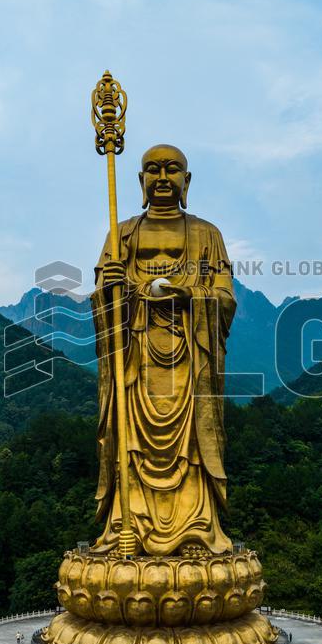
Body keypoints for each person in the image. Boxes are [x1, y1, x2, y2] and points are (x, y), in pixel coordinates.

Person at [91, 144, 236, 557]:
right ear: (139, 181)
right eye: (152, 170)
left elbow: (223, 298)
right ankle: (129, 523)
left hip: (189, 358)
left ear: (186, 181)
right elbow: (102, 298)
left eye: (172, 170)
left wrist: (189, 293)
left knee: (189, 445)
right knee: (133, 445)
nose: (162, 178)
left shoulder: (208, 235)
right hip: (136, 357)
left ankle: (196, 526)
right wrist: (113, 288)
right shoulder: (121, 235)